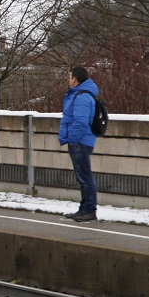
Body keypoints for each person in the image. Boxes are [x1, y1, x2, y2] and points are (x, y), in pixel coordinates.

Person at [59, 65, 99, 222]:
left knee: (85, 176)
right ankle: (84, 209)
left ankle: (89, 210)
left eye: (70, 77)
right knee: (82, 176)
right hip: (81, 141)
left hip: (80, 142)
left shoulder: (81, 96)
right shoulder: (82, 94)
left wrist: (72, 139)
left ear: (74, 79)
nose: (69, 80)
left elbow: (80, 122)